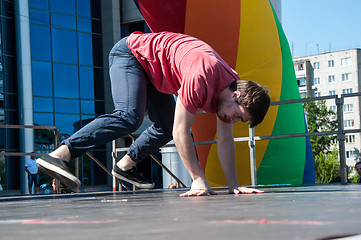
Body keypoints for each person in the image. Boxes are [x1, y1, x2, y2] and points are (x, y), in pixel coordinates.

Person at [37, 31, 270, 197]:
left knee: (166, 126)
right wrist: (198, 179)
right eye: (238, 115)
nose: (232, 120)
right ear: (236, 96)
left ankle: (125, 165)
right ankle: (60, 154)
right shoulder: (201, 76)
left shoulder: (229, 89)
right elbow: (182, 132)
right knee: (130, 116)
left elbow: (226, 140)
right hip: (131, 54)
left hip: (157, 74)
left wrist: (234, 185)